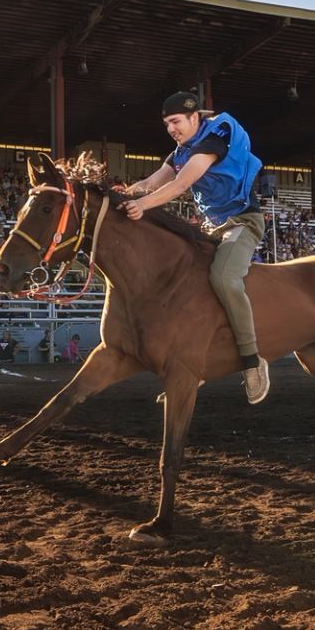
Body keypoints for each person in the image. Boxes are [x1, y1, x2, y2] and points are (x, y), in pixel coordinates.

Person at [121, 90, 270, 402]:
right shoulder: (180, 151)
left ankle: (252, 362)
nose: (170, 129)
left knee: (223, 279)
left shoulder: (215, 138)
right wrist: (124, 193)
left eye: (175, 121)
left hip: (243, 223)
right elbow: (153, 181)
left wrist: (142, 205)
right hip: (211, 228)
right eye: (166, 124)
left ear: (194, 117)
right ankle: (193, 366)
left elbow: (179, 185)